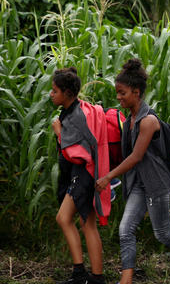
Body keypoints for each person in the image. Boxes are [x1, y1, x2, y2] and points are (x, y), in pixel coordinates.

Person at [94, 58, 170, 284]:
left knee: (163, 233)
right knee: (125, 229)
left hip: (157, 184)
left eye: (122, 93)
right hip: (139, 182)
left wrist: (109, 177)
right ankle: (126, 280)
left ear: (136, 92)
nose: (118, 97)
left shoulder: (148, 121)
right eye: (117, 93)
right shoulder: (130, 120)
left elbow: (136, 156)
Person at [50, 67, 109, 284]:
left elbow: (77, 155)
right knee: (87, 224)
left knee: (63, 218)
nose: (51, 94)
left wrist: (59, 133)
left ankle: (81, 274)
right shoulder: (79, 109)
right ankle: (95, 277)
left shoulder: (74, 117)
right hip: (91, 174)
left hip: (84, 174)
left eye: (55, 91)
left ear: (67, 93)